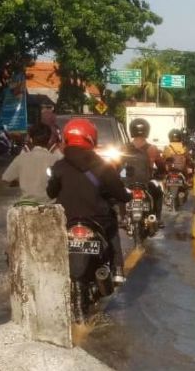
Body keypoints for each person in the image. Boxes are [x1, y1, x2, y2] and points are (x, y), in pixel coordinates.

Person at [48, 118, 132, 284]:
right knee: (113, 226)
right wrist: (127, 196)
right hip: (98, 220)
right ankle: (117, 269)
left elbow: (50, 193)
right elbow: (120, 194)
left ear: (66, 138)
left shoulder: (59, 166)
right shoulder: (103, 166)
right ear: (92, 138)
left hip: (66, 221)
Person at [2, 123, 62, 203]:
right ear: (49, 140)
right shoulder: (56, 160)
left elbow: (6, 178)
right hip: (50, 206)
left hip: (27, 206)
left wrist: (21, 179)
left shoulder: (21, 158)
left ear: (31, 139)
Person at [124, 118, 165, 222]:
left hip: (128, 183)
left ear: (131, 130)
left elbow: (115, 165)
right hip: (146, 183)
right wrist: (161, 174)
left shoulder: (124, 148)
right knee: (159, 193)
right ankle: (157, 218)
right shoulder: (152, 148)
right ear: (147, 131)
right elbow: (161, 165)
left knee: (120, 194)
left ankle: (123, 217)